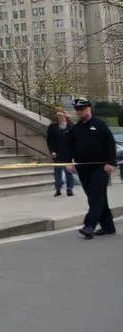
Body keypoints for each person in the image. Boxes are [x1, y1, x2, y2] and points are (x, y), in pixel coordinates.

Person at [66, 98, 117, 239]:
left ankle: (89, 226)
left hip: (100, 167)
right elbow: (69, 146)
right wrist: (68, 161)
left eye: (83, 109)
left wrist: (111, 162)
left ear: (89, 108)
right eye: (78, 110)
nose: (80, 112)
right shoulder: (76, 128)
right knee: (97, 197)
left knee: (95, 196)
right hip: (83, 168)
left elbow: (110, 143)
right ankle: (108, 227)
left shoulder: (99, 124)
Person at [46, 109, 75, 197]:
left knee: (69, 172)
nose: (59, 118)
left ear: (65, 116)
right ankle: (58, 188)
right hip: (57, 153)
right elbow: (49, 140)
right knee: (57, 173)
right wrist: (52, 151)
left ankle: (69, 189)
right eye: (58, 116)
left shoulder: (71, 127)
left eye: (61, 116)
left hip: (68, 153)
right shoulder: (52, 127)